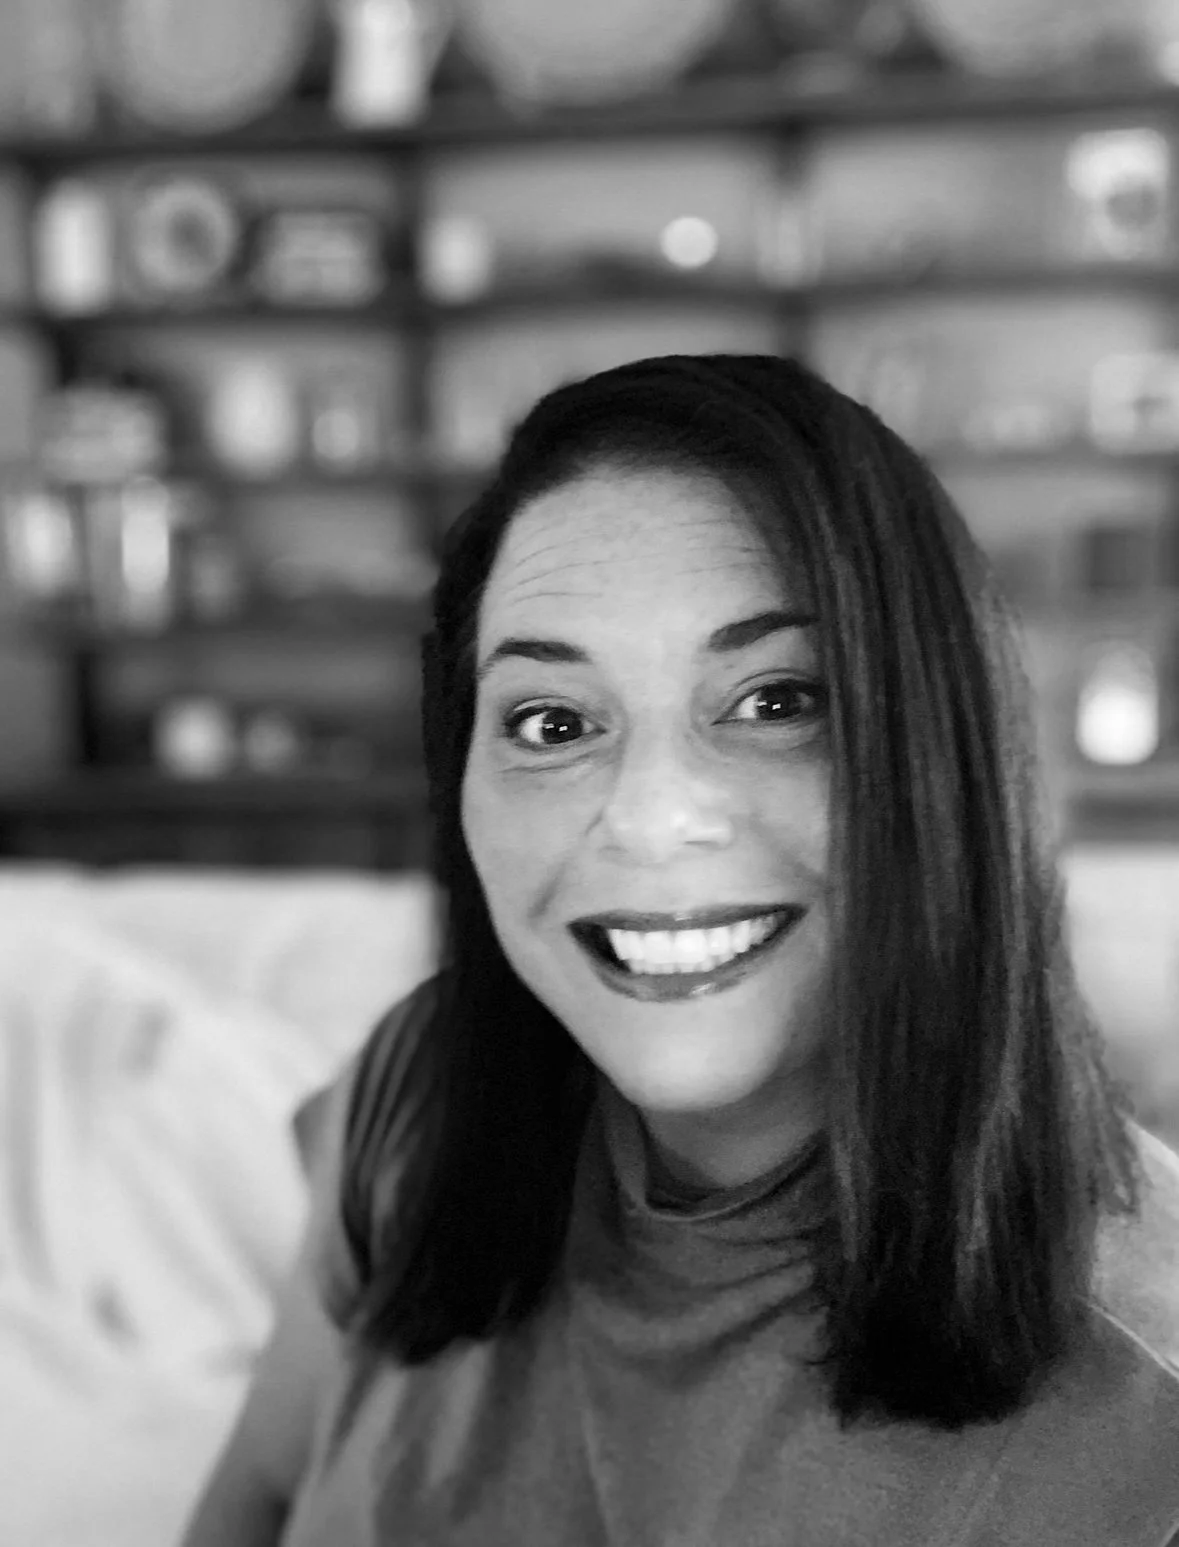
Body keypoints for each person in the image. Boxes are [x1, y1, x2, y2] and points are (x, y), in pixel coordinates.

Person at [182, 353, 1179, 1547]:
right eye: (552, 723)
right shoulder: (424, 1098)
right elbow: (249, 1502)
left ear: (943, 748)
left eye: (776, 699)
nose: (650, 820)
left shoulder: (1145, 1410)